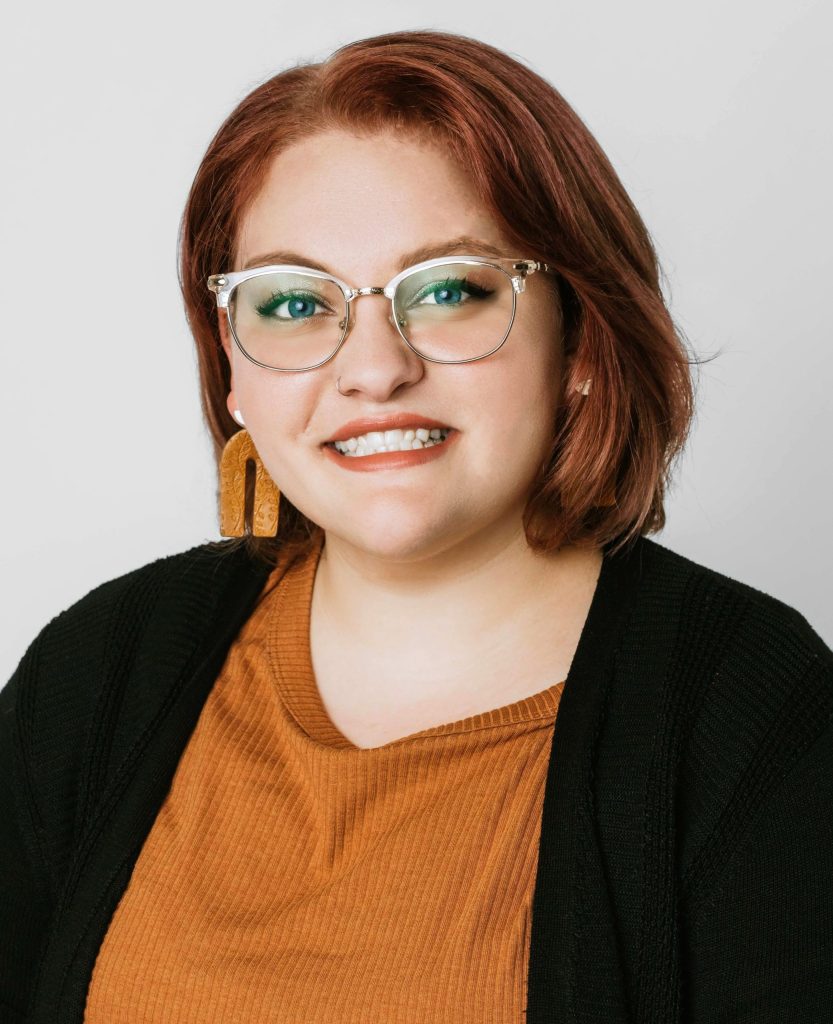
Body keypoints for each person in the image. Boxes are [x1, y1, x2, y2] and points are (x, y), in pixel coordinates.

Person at [1, 28, 831, 1024]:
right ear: (231, 365)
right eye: (295, 301)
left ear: (577, 333)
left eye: (446, 289)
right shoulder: (101, 667)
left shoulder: (749, 708)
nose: (372, 366)